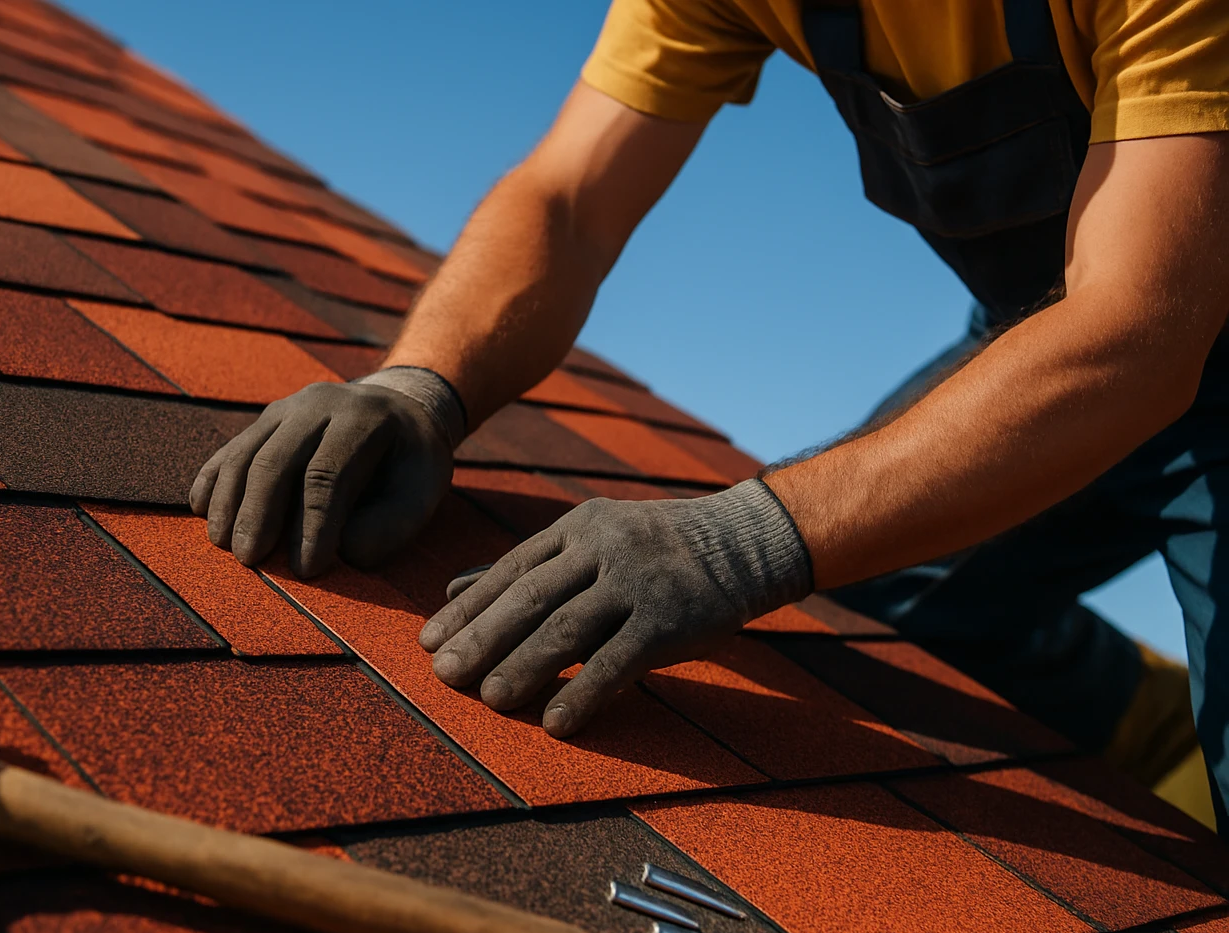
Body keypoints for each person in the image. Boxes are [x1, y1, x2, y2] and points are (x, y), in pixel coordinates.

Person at [191, 0, 1229, 827]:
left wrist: (744, 540)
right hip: (1052, 328)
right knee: (869, 612)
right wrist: (420, 385)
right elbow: (569, 198)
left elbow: (1143, 324)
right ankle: (1129, 715)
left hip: (1141, 316)